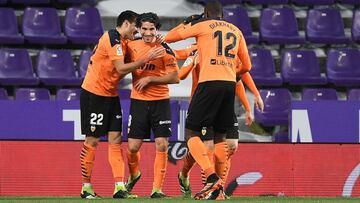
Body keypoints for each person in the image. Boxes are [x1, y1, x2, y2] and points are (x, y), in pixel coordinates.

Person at [165, 0, 252, 199]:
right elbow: (247, 65)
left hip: (208, 83)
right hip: (229, 85)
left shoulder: (202, 25)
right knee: (221, 137)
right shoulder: (236, 30)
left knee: (191, 133)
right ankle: (219, 191)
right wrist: (228, 71)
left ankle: (211, 177)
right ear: (222, 14)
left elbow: (169, 38)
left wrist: (188, 21)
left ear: (205, 13)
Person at [79, 10, 165, 199]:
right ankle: (86, 187)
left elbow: (139, 50)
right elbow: (120, 68)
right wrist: (145, 59)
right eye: (136, 28)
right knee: (92, 140)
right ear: (126, 24)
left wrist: (154, 42)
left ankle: (119, 187)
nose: (137, 33)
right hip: (93, 94)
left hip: (110, 95)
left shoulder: (125, 42)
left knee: (115, 139)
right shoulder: (111, 38)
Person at [174, 46, 263, 199]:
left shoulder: (227, 53)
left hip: (223, 103)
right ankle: (201, 184)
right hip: (202, 104)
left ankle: (216, 188)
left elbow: (239, 77)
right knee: (207, 148)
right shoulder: (197, 49)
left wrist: (249, 105)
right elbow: (176, 56)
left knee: (231, 146)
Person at [124, 12, 179, 198]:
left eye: (152, 29)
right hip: (138, 102)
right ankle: (134, 175)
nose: (148, 32)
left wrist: (149, 79)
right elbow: (118, 65)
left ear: (157, 29)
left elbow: (175, 77)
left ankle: (157, 189)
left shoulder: (164, 48)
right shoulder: (130, 46)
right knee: (132, 148)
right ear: (138, 28)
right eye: (145, 28)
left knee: (162, 145)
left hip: (160, 102)